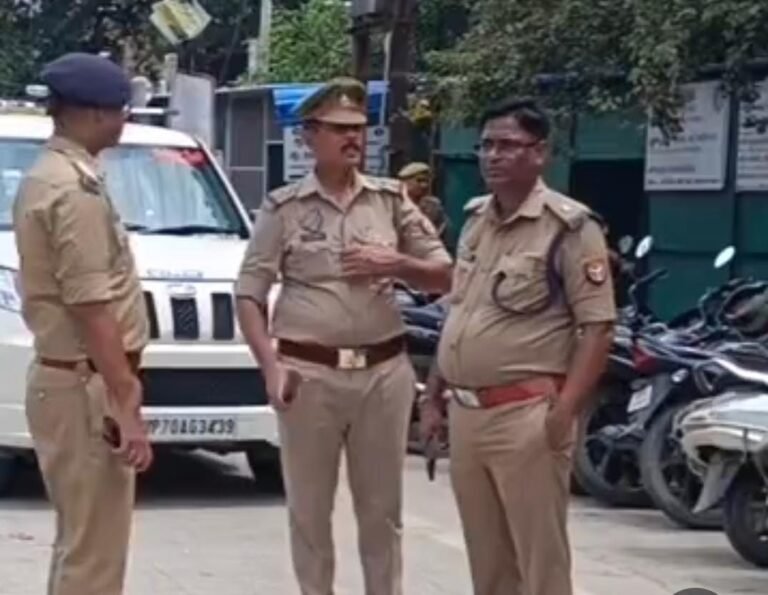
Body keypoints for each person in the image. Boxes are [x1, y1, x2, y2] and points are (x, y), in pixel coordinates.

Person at [234, 77, 452, 595]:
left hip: (383, 373)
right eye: (338, 129)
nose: (353, 138)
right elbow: (248, 293)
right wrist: (270, 366)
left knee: (382, 512)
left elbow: (446, 275)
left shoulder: (391, 200)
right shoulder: (284, 208)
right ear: (309, 135)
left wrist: (395, 263)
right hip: (308, 374)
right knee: (309, 511)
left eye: (358, 128)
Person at [420, 97, 616, 595]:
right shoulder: (476, 220)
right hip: (468, 413)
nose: (493, 155)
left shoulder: (570, 228)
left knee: (539, 562)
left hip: (526, 415)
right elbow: (459, 311)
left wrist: (564, 412)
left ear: (539, 152)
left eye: (508, 145)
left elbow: (598, 328)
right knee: (488, 563)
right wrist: (434, 395)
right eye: (486, 145)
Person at [12, 52, 153, 595]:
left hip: (71, 379)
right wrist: (124, 399)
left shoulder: (53, 175)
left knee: (81, 545)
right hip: (85, 385)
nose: (123, 122)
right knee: (94, 557)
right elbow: (92, 305)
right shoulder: (73, 191)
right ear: (93, 114)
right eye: (120, 111)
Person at [397, 162, 450, 241]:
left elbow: (442, 229)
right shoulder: (394, 204)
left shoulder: (433, 206)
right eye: (419, 181)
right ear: (405, 182)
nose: (424, 185)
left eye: (426, 181)